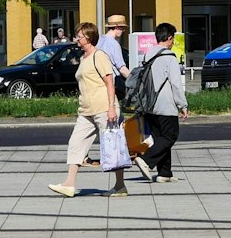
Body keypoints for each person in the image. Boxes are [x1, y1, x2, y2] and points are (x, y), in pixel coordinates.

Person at [48, 24, 126, 198]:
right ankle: (69, 184)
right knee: (76, 143)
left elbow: (109, 82)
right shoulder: (84, 58)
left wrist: (112, 107)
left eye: (79, 36)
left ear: (89, 38)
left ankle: (120, 186)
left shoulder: (99, 56)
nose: (77, 39)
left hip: (104, 109)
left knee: (112, 148)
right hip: (86, 110)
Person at [134, 21, 188, 182]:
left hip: (150, 105)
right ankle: (146, 160)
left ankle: (164, 173)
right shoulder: (169, 57)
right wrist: (183, 105)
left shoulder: (148, 55)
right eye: (173, 40)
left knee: (160, 138)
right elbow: (176, 84)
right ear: (169, 38)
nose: (173, 43)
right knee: (170, 136)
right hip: (166, 105)